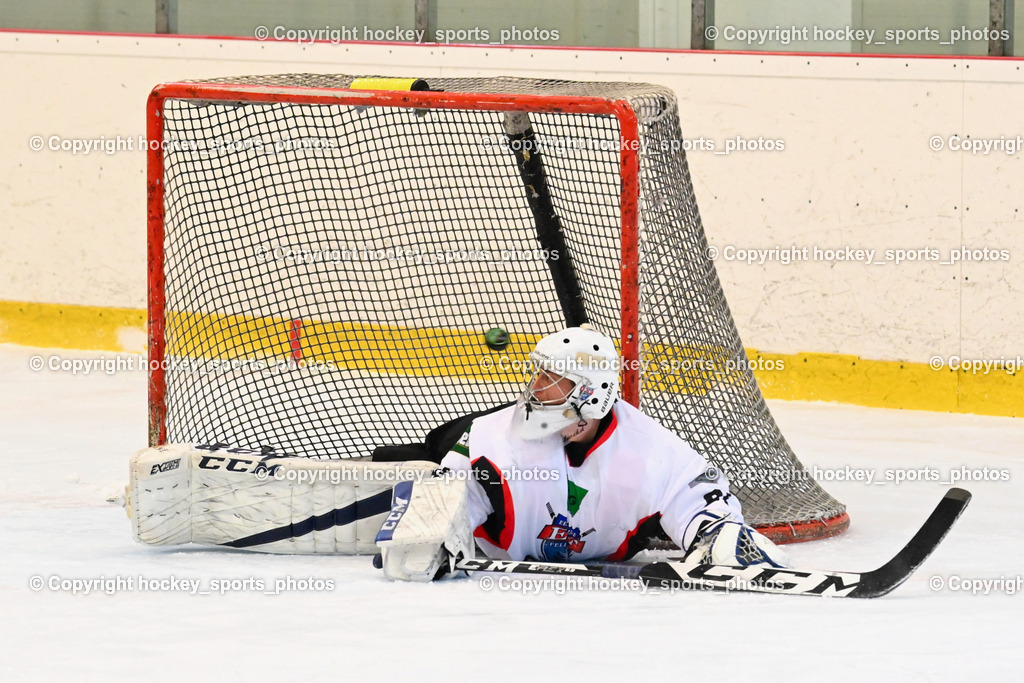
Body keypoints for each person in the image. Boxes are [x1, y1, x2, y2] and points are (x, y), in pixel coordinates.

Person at [375, 325, 789, 581]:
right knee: (438, 444)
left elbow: (698, 501)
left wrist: (719, 535)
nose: (536, 386)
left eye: (551, 378)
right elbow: (456, 493)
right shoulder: (491, 436)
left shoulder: (654, 451)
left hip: (594, 543)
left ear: (590, 394)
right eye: (537, 373)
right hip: (490, 515)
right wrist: (433, 532)